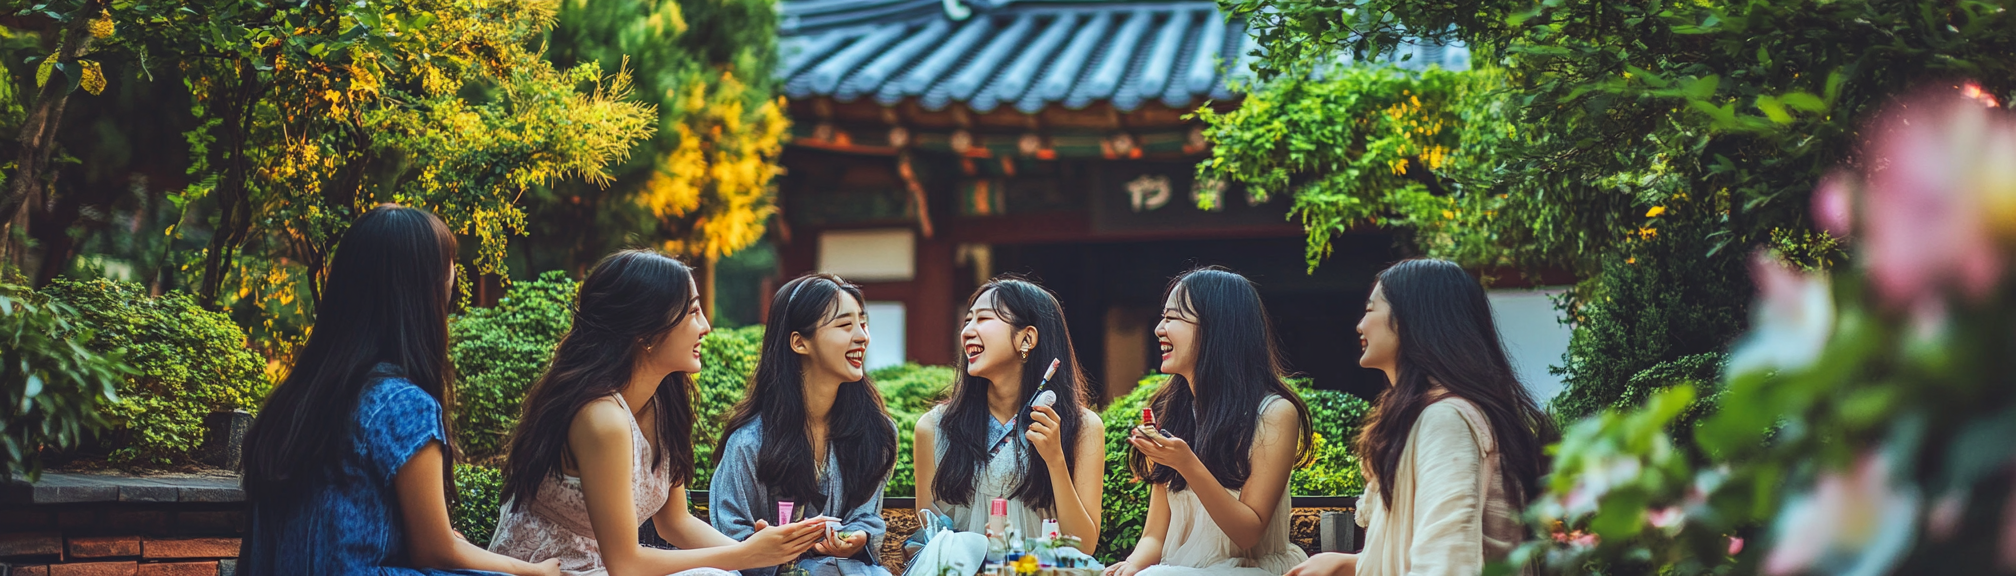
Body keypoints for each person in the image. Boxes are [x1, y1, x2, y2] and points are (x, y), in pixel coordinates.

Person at [238, 204, 559, 576]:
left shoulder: (297, 399)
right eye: (448, 276)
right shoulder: (403, 404)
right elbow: (435, 551)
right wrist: (535, 571)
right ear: (425, 293)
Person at [488, 250, 831, 576]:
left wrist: (761, 554)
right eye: (693, 312)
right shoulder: (601, 419)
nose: (706, 326)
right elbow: (625, 563)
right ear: (646, 331)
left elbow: (675, 522)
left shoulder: (663, 403)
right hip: (554, 569)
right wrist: (744, 555)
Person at [1285, 259, 1557, 576]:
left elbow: (1446, 562)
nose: (1360, 324)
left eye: (1371, 309)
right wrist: (1350, 563)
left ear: (1412, 321)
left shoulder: (1446, 419)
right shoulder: (1435, 414)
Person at [1106, 267, 1315, 576]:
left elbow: (1248, 532)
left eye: (1173, 318)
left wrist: (1187, 464)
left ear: (1217, 328)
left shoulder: (1275, 412)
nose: (1159, 329)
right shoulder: (1174, 411)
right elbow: (1154, 534)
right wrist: (1132, 566)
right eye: (1163, 317)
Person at [910, 277, 1107, 567]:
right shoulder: (934, 428)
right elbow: (927, 538)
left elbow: (1083, 545)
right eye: (967, 320)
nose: (967, 331)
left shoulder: (1083, 427)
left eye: (984, 318)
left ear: (1026, 339)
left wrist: (1055, 460)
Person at [711, 274, 900, 576]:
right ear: (800, 342)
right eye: (844, 325)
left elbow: (866, 517)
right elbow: (727, 539)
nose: (862, 336)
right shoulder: (749, 442)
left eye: (862, 323)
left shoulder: (876, 434)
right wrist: (766, 547)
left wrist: (856, 538)